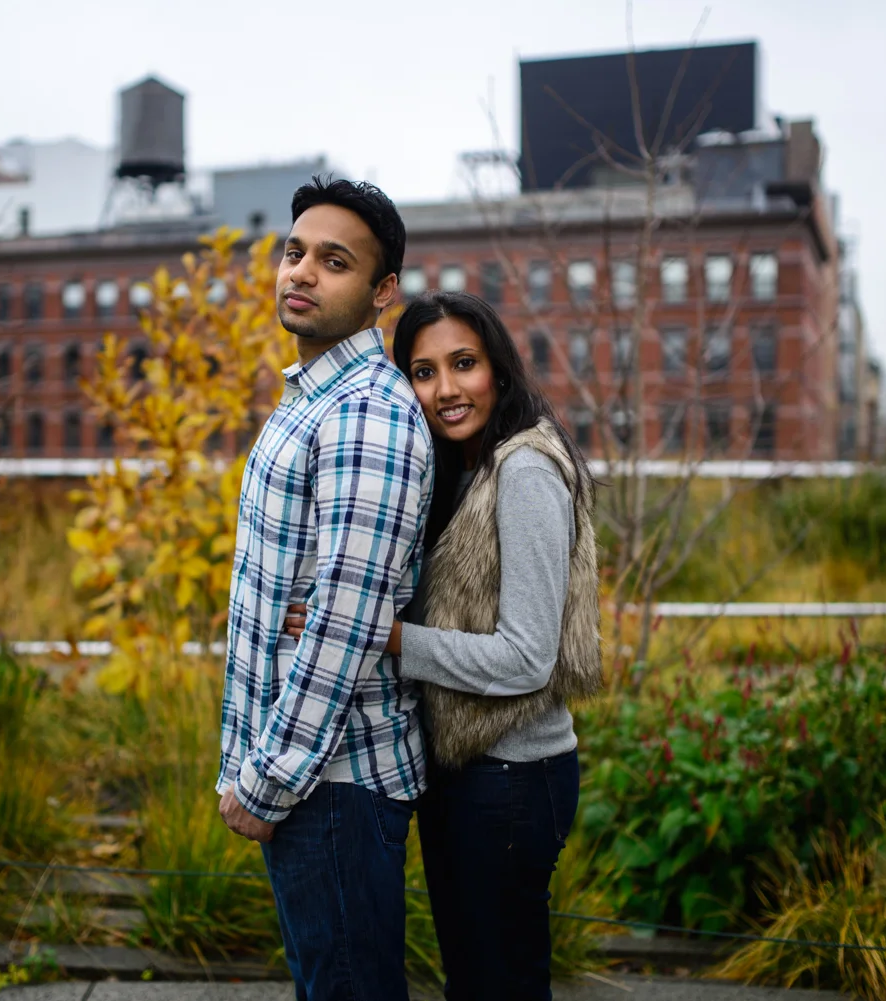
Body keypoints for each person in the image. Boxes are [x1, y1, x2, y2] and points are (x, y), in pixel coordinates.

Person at [286, 290, 602, 1000]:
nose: (446, 389)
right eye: (423, 372)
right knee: (481, 974)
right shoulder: (463, 468)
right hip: (469, 771)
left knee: (498, 980)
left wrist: (386, 635)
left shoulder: (523, 470)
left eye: (464, 363)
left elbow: (527, 657)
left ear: (499, 367)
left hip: (513, 779)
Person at [216, 176, 432, 1001]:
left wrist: (267, 779)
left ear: (382, 293)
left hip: (332, 785)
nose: (300, 272)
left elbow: (342, 622)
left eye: (333, 261)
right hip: (307, 775)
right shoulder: (316, 398)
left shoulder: (366, 411)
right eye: (294, 252)